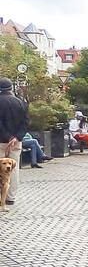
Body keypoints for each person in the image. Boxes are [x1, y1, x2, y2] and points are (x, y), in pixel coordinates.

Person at [0, 77, 29, 206]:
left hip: (1, 141)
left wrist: (7, 137)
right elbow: (26, 122)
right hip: (16, 142)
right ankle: (10, 197)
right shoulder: (21, 102)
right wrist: (17, 137)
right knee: (13, 169)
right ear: (11, 88)